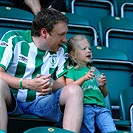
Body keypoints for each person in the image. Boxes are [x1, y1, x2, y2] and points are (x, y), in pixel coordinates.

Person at [0, 8, 83, 133]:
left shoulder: (62, 49)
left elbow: (61, 83)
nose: (65, 39)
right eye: (61, 35)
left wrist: (50, 84)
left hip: (42, 103)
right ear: (44, 32)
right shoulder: (14, 39)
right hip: (12, 100)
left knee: (75, 90)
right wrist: (27, 83)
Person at [65, 35, 117, 133]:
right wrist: (84, 78)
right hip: (85, 107)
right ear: (72, 54)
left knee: (111, 130)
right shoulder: (71, 71)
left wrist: (103, 85)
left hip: (101, 107)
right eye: (84, 49)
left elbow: (104, 94)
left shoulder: (94, 70)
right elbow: (69, 87)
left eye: (89, 49)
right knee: (88, 131)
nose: (88, 51)